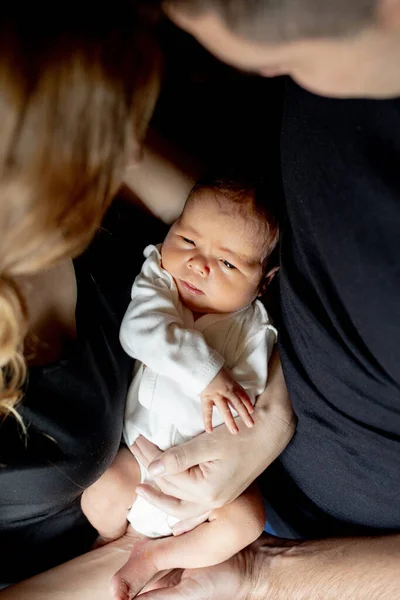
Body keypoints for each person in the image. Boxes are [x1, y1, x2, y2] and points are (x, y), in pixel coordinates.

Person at [111, 0, 400, 598]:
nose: (275, 78)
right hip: (175, 465)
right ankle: (115, 552)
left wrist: (265, 578)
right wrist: (271, 420)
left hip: (305, 546)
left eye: (289, 59)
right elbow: (221, 227)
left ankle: (144, 559)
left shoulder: (251, 314)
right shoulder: (169, 281)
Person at [0, 1, 166, 595]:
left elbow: (232, 216)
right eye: (112, 140)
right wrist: (132, 561)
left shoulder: (75, 223)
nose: (133, 158)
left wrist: (264, 428)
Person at [81, 176, 280, 599]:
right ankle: (112, 538)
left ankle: (158, 558)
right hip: (139, 459)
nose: (199, 264)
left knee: (247, 521)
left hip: (210, 480)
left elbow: (248, 404)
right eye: (188, 240)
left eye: (228, 264)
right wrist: (207, 373)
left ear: (263, 282)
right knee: (99, 493)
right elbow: (140, 331)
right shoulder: (159, 283)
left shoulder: (255, 328)